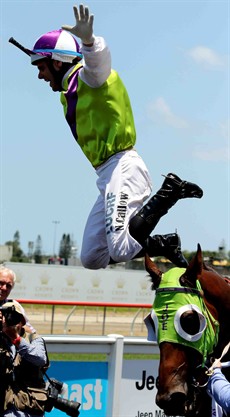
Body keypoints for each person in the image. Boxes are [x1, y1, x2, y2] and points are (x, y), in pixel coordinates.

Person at [11, 4, 203, 270]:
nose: (40, 75)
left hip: (123, 167)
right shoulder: (69, 89)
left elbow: (98, 62)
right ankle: (163, 244)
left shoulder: (89, 77)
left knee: (121, 248)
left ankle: (170, 192)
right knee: (91, 257)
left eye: (41, 67)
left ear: (57, 62)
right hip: (106, 174)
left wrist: (89, 42)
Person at [0, 300, 49, 416]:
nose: (9, 322)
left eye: (14, 318)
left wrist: (17, 340)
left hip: (28, 406)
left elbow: (40, 359)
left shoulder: (33, 338)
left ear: (22, 321)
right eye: (5, 318)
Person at [0, 265, 35, 333]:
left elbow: (32, 333)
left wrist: (13, 325)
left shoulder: (14, 306)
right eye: (1, 283)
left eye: (8, 286)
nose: (4, 288)